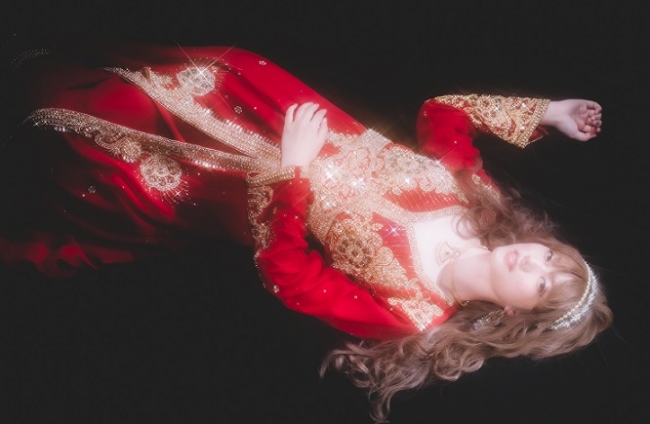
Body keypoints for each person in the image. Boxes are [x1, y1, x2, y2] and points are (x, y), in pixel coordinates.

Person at [0, 44, 612, 422]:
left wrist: (291, 172)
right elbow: (443, 113)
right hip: (275, 108)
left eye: (541, 284)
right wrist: (546, 112)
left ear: (513, 316)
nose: (533, 262)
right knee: (178, 70)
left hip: (242, 180)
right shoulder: (483, 203)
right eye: (550, 258)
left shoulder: (414, 314)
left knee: (103, 130)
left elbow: (289, 276)